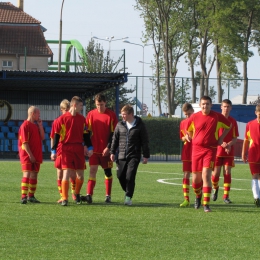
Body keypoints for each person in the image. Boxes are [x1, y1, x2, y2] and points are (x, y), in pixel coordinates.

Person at [186, 96, 231, 212]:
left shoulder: (217, 116)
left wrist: (220, 139)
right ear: (200, 105)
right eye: (203, 104)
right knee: (195, 180)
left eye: (207, 104)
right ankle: (198, 196)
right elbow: (188, 129)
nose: (205, 106)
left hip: (210, 150)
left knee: (206, 175)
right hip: (196, 150)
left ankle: (206, 205)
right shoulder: (194, 117)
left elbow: (228, 126)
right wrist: (189, 136)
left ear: (211, 105)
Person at [51, 96, 93, 206]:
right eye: (80, 105)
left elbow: (86, 135)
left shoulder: (82, 119)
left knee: (81, 176)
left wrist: (90, 147)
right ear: (74, 105)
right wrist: (53, 151)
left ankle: (77, 193)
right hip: (66, 148)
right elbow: (56, 136)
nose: (81, 107)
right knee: (66, 173)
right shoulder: (62, 119)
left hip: (78, 148)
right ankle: (64, 198)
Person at [81, 94, 118, 203]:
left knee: (107, 172)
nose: (99, 107)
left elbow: (114, 134)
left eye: (101, 105)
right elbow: (86, 132)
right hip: (94, 150)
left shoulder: (111, 115)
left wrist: (109, 148)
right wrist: (86, 146)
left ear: (105, 103)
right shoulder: (91, 114)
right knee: (92, 171)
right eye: (97, 105)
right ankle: (89, 195)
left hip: (106, 150)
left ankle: (108, 196)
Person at [110, 104, 150, 205]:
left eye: (124, 114)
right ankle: (128, 190)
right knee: (120, 176)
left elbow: (145, 141)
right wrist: (112, 152)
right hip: (121, 155)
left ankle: (128, 197)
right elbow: (115, 139)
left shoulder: (140, 125)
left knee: (130, 176)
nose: (122, 116)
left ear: (131, 114)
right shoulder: (120, 125)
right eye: (122, 114)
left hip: (134, 155)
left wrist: (146, 155)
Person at [211, 99, 239, 204]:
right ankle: (215, 188)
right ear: (221, 107)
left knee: (227, 172)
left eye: (228, 107)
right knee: (216, 174)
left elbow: (235, 138)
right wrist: (221, 143)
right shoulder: (217, 119)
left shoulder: (233, 121)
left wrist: (229, 144)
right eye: (224, 106)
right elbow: (213, 135)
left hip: (228, 152)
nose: (226, 108)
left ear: (231, 108)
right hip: (217, 150)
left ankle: (226, 196)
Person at [50, 99, 77, 203]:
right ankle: (62, 195)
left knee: (72, 173)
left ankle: (74, 193)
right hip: (60, 149)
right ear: (61, 110)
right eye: (66, 109)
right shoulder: (57, 121)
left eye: (69, 109)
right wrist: (53, 151)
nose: (67, 111)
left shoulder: (73, 119)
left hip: (70, 149)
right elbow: (53, 137)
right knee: (60, 173)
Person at [19, 106, 45, 204]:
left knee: (34, 174)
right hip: (27, 155)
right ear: (33, 114)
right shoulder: (25, 125)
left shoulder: (36, 125)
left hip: (36, 154)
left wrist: (40, 126)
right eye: (38, 113)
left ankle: (31, 196)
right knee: (27, 173)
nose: (39, 115)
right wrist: (30, 155)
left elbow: (42, 137)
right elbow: (24, 143)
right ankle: (23, 196)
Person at [242, 104, 260, 207]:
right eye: (259, 114)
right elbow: (246, 140)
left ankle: (259, 197)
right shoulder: (250, 124)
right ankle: (256, 197)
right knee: (255, 175)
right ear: (255, 113)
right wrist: (243, 153)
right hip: (253, 153)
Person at [179, 103, 194, 207]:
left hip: (197, 151)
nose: (187, 116)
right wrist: (185, 138)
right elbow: (181, 137)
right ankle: (186, 199)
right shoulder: (183, 123)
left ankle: (199, 198)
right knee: (186, 174)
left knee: (199, 176)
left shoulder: (197, 120)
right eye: (185, 114)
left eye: (189, 114)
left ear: (193, 111)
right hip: (186, 151)